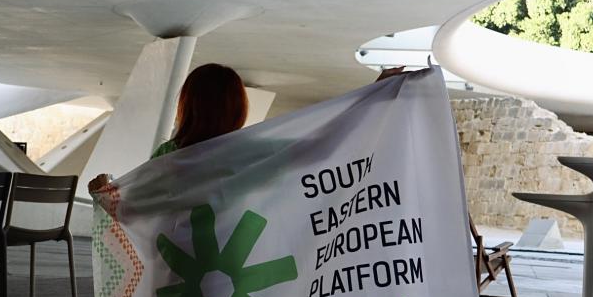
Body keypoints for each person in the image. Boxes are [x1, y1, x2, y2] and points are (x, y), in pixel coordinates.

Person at [87, 63, 404, 193]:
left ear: (187, 106)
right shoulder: (249, 154)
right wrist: (372, 98)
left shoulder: (167, 157)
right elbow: (323, 145)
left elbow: (135, 204)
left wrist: (107, 191)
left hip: (174, 273)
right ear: (237, 109)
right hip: (236, 273)